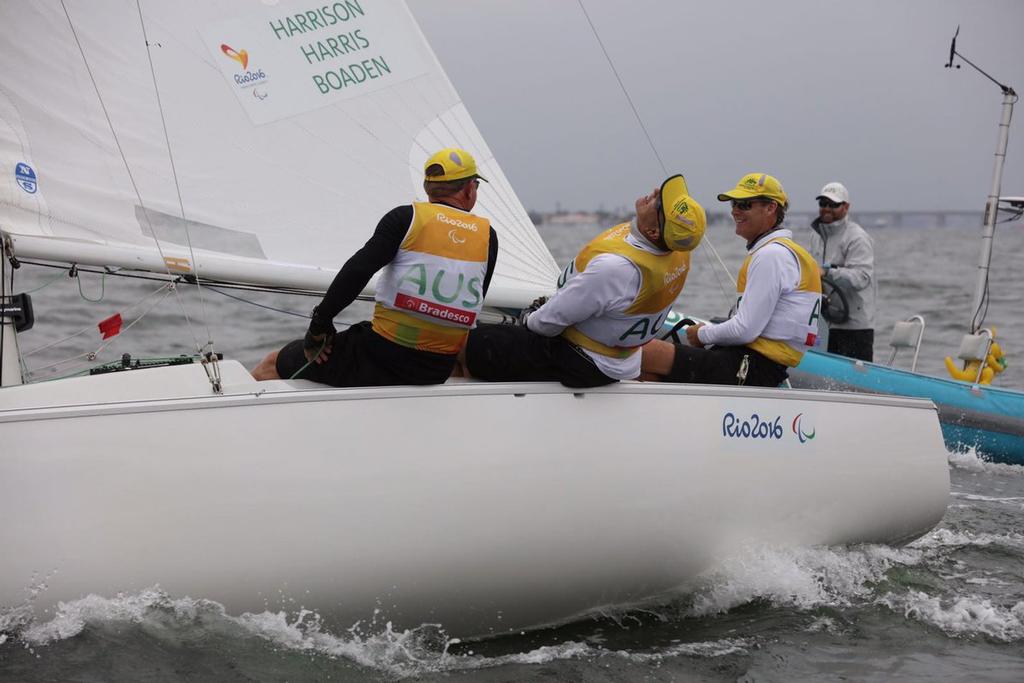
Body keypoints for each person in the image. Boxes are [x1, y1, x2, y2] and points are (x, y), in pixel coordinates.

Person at [251, 147, 498, 386]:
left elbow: (358, 271)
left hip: (383, 358)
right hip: (436, 368)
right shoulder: (488, 238)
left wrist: (320, 325)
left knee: (273, 363)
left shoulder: (406, 218)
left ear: (427, 188)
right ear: (468, 190)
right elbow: (472, 305)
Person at [461, 174, 706, 387]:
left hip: (586, 362)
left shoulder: (617, 268)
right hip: (622, 361)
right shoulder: (678, 251)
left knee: (470, 343)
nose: (654, 192)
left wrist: (528, 318)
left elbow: (545, 324)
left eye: (659, 202)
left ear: (654, 232)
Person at [641, 172, 822, 387]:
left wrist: (702, 334)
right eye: (734, 204)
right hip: (759, 364)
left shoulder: (771, 255)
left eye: (745, 205)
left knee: (644, 352)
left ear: (771, 208)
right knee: (649, 373)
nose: (735, 210)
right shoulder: (782, 252)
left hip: (754, 366)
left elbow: (745, 330)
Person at [809, 181, 876, 361]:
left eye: (833, 204)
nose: (827, 208)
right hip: (824, 324)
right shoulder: (815, 235)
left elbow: (861, 278)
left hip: (855, 329)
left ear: (846, 207)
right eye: (823, 204)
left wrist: (827, 273)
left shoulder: (857, 238)